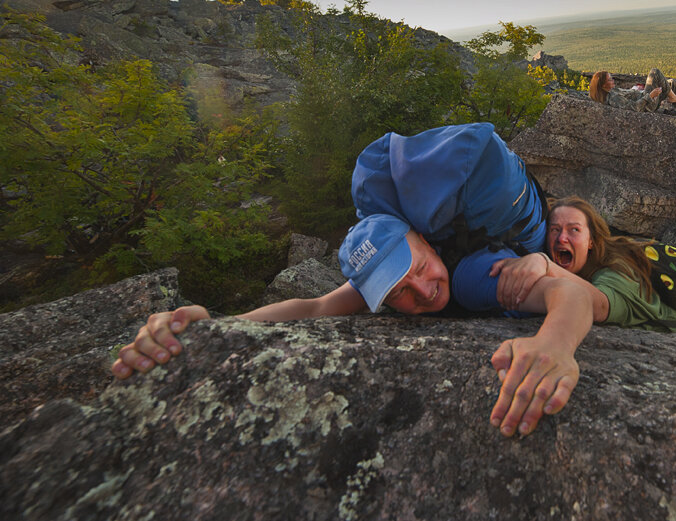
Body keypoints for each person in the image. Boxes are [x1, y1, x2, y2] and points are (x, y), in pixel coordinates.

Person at [112, 123, 607, 438]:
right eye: (398, 292)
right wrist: (214, 325)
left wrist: (555, 344)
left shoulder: (471, 277)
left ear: (424, 237)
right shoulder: (394, 277)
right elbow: (315, 307)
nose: (423, 291)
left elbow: (569, 293)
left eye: (419, 268)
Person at [490, 196, 676, 332]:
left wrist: (545, 263)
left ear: (591, 241)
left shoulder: (618, 273)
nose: (562, 238)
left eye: (574, 230)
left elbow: (598, 306)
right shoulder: (585, 267)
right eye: (555, 229)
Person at [589, 69, 676, 116]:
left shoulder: (612, 90)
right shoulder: (613, 98)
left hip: (644, 96)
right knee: (654, 73)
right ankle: (674, 98)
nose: (613, 80)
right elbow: (634, 108)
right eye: (610, 80)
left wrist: (635, 89)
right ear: (603, 85)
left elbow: (627, 95)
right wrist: (650, 96)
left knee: (671, 83)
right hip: (647, 105)